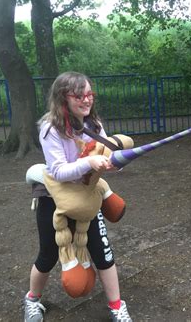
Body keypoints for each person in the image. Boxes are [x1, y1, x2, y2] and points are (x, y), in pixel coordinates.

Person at [23, 71, 132, 322]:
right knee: (48, 253)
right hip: (54, 197)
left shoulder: (93, 125)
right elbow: (59, 172)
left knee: (102, 251)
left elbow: (106, 155)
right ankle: (31, 301)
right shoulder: (50, 128)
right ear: (64, 98)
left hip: (86, 196)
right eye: (79, 95)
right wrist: (91, 162)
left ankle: (117, 306)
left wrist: (115, 163)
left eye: (89, 94)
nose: (86, 100)